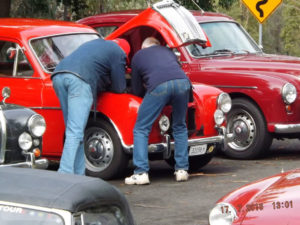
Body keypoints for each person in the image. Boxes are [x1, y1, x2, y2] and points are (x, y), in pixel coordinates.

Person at [51, 38, 130, 175]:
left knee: (76, 131)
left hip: (58, 76)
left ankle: (79, 174)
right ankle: (64, 173)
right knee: (75, 131)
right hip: (80, 80)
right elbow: (119, 87)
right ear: (125, 52)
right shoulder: (119, 53)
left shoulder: (95, 44)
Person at [125, 37, 191, 185]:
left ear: (144, 47)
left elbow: (136, 88)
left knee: (141, 128)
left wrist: (147, 97)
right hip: (183, 83)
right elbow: (175, 70)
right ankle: (182, 170)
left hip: (159, 86)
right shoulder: (168, 51)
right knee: (180, 126)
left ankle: (141, 172)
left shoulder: (138, 56)